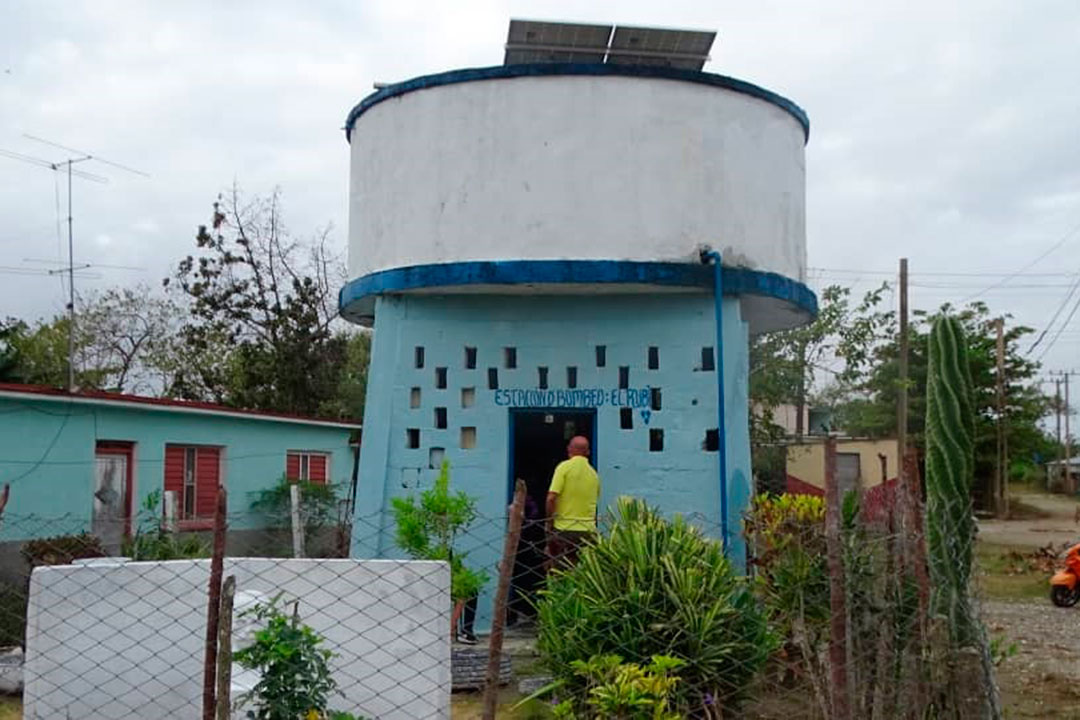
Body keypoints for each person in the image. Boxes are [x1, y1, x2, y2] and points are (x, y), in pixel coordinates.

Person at [546, 435, 600, 570]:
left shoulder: (563, 468)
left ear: (569, 449)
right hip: (587, 531)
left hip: (564, 529)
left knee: (558, 570)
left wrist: (549, 521)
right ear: (588, 452)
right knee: (583, 572)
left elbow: (551, 498)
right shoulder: (594, 475)